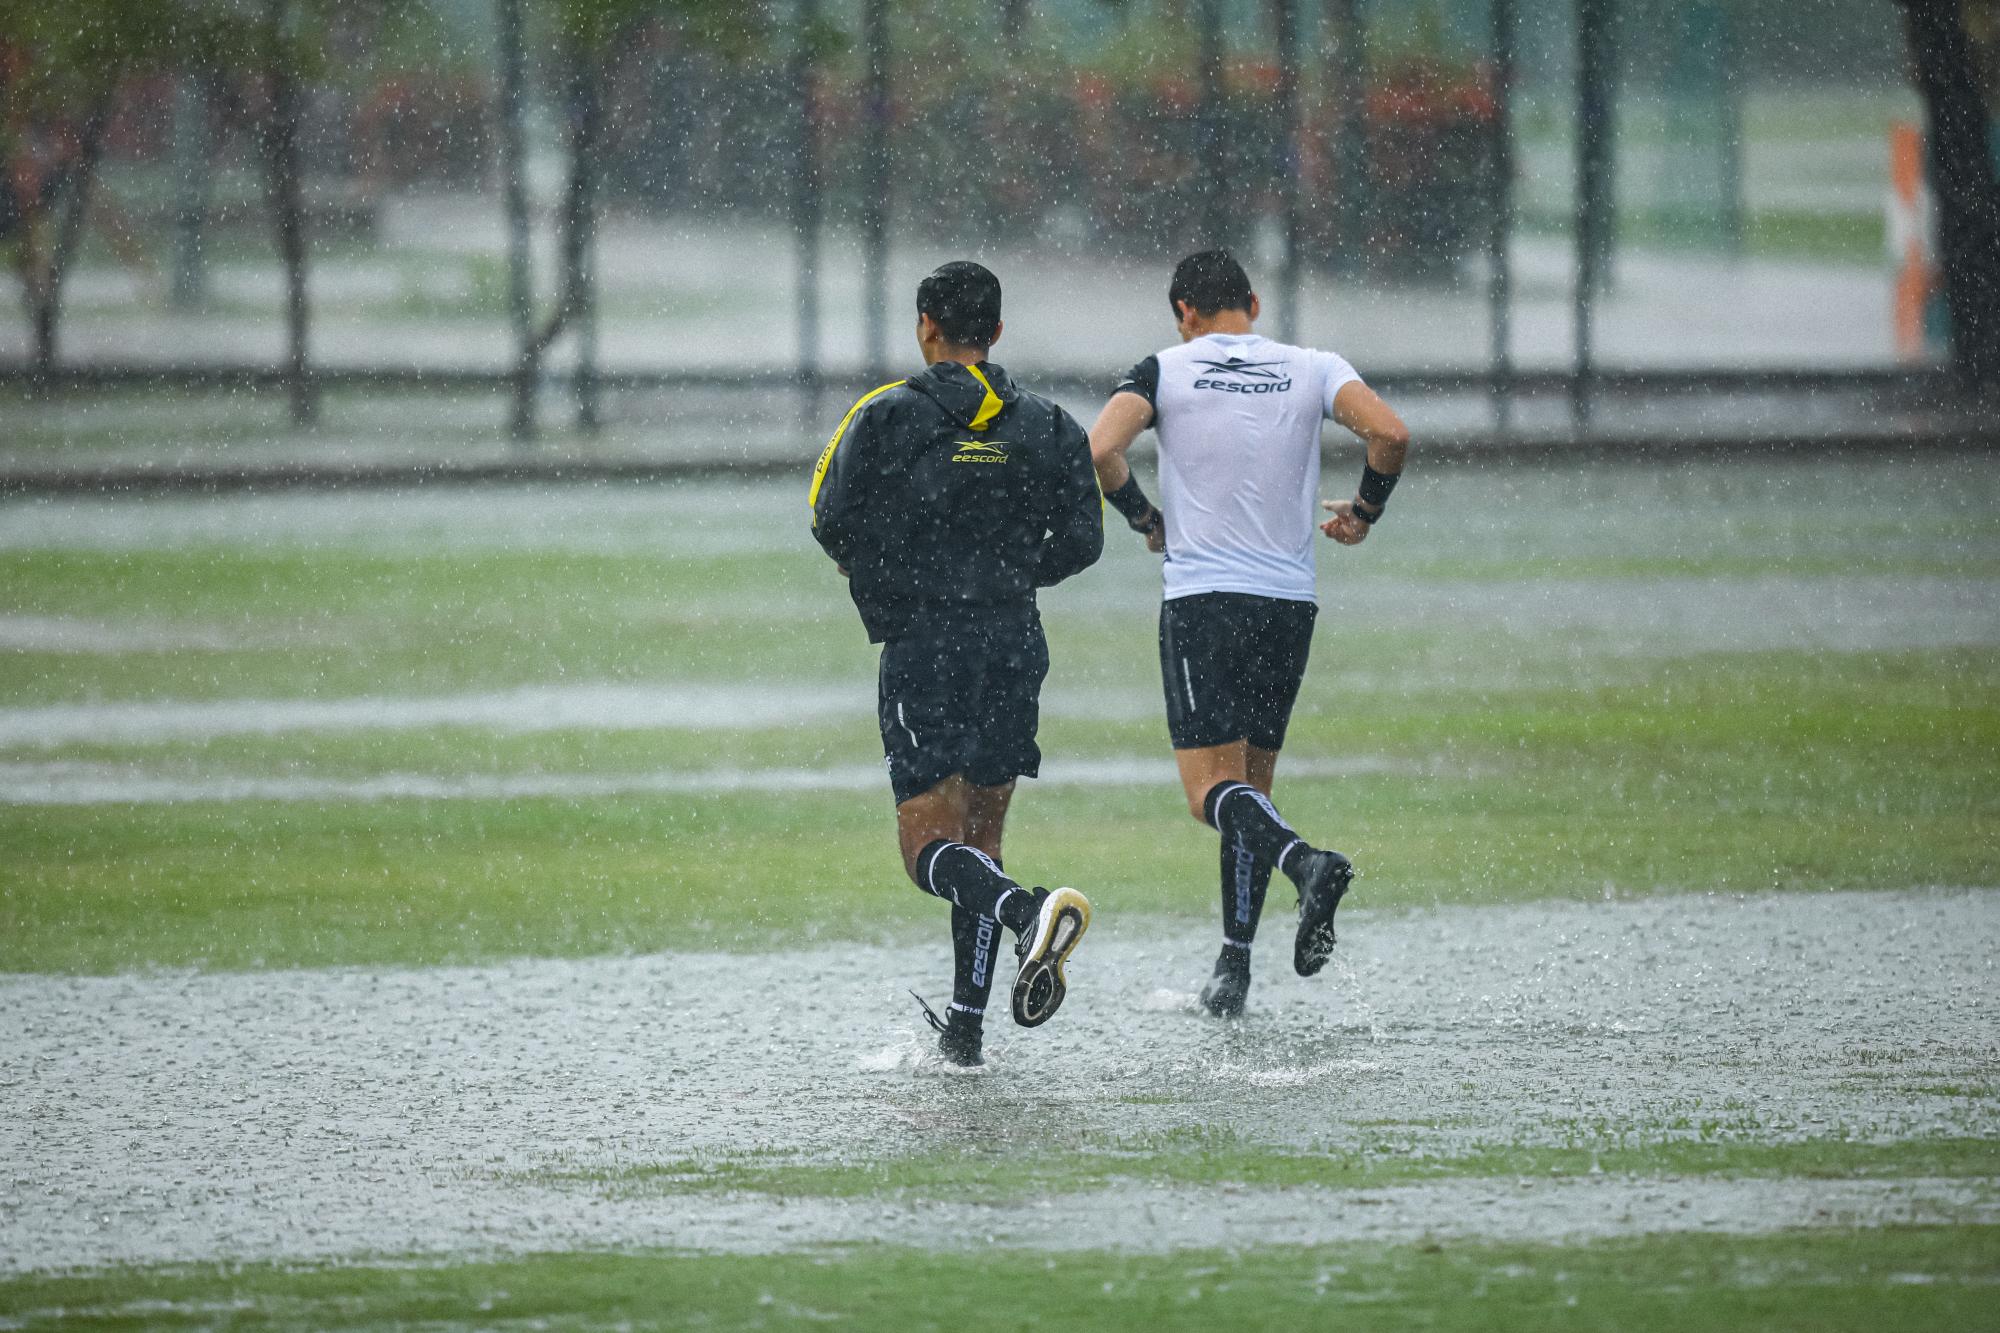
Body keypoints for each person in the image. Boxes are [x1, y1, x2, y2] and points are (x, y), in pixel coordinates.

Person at [1086, 249, 1410, 1018]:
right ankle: (1234, 967)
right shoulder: (1313, 366)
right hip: (1287, 603)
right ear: (1254, 305)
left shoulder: (1165, 367)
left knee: (1211, 794)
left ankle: (1307, 861)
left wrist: (1144, 518)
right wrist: (1363, 512)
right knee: (1250, 792)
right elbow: (1391, 435)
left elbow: (1100, 448)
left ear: (1184, 314)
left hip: (1204, 600)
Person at [810, 260, 1104, 1067]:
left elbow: (828, 519)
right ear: (997, 332)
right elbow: (1085, 540)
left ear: (924, 325)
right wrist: (1010, 577)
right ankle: (967, 1026)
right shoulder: (1049, 424)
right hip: (1014, 641)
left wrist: (898, 575)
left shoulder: (885, 417)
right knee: (981, 833)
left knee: (928, 850)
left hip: (925, 644)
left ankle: (1025, 911)